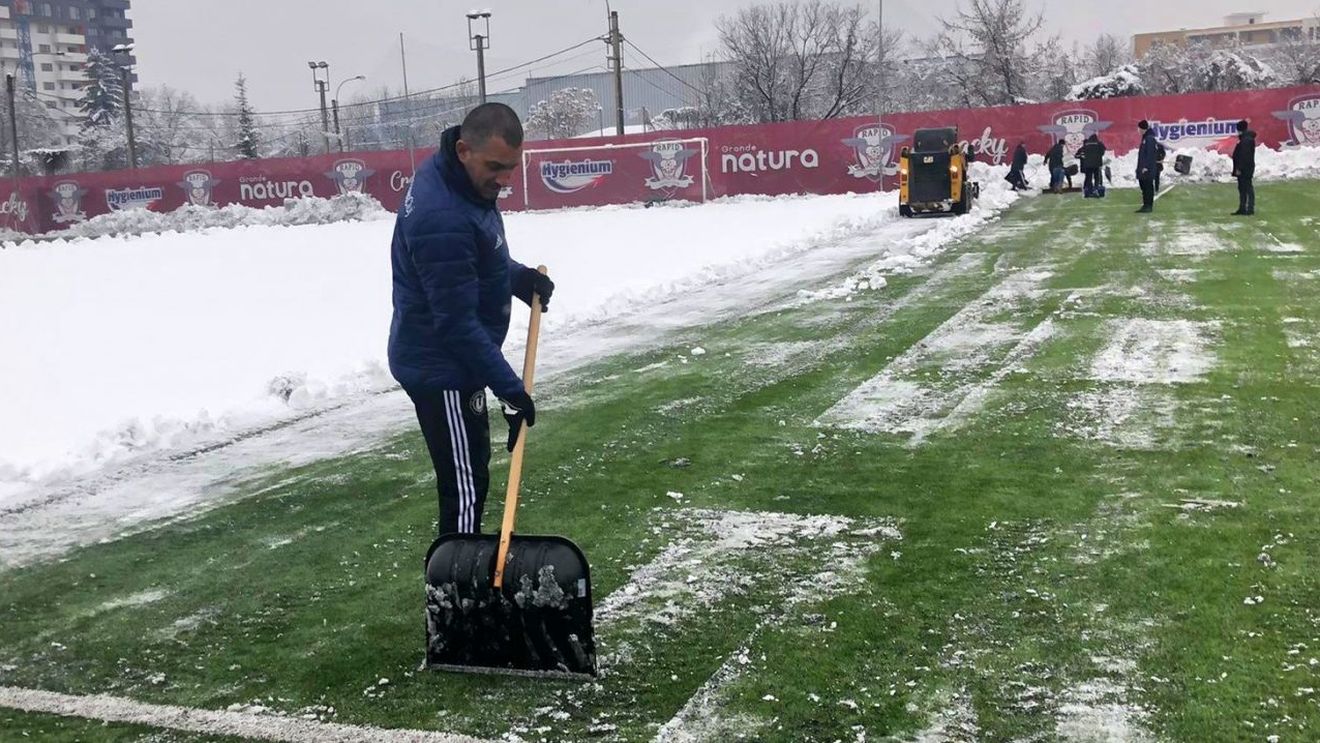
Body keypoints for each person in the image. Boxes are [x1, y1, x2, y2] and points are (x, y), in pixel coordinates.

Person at [388, 103, 555, 536]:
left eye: (512, 168)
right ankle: (457, 595)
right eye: (496, 167)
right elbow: (456, 324)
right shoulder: (440, 215)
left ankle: (464, 582)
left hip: (456, 358)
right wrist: (511, 390)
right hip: (440, 365)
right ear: (463, 150)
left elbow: (477, 254)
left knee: (472, 469)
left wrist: (518, 279)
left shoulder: (464, 185)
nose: (505, 179)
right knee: (464, 485)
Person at [1231, 119, 1256, 216]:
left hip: (1245, 168)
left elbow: (1244, 156)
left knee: (1247, 188)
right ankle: (1243, 208)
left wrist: (1239, 168)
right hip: (1246, 167)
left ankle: (1249, 208)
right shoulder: (1245, 139)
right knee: (1243, 188)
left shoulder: (1245, 140)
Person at [1135, 120, 1159, 213]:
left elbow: (1149, 154)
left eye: (1139, 128)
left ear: (1142, 128)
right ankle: (1145, 205)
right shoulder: (1145, 138)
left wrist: (1146, 167)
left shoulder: (1149, 139)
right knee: (1144, 186)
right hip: (1143, 168)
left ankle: (1148, 206)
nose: (1138, 130)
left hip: (1147, 169)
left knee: (1148, 186)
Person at [1077, 133, 1107, 198]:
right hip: (1096, 163)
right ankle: (1096, 189)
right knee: (1097, 177)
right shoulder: (1099, 143)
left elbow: (1080, 153)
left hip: (1087, 164)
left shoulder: (1086, 145)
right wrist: (1099, 155)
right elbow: (1103, 150)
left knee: (1089, 178)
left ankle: (1089, 191)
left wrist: (1084, 157)